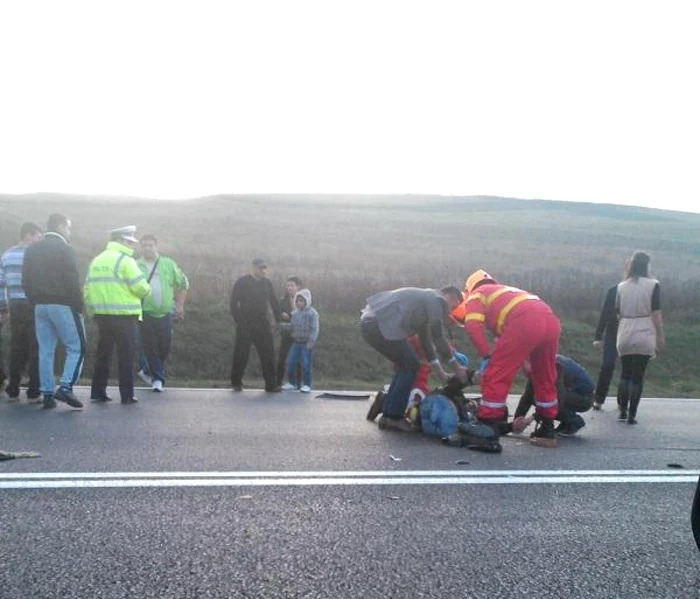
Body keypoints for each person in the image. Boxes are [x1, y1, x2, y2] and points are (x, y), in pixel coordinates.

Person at [454, 270, 561, 448]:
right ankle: (547, 430)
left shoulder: (477, 295)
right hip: (550, 320)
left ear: (469, 288)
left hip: (525, 321)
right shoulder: (507, 292)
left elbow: (473, 325)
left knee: (496, 374)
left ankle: (488, 431)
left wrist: (486, 353)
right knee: (544, 375)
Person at [360, 286, 469, 432]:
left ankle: (388, 415)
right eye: (453, 306)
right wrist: (457, 368)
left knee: (406, 364)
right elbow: (438, 337)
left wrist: (442, 374)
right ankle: (393, 416)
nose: (449, 312)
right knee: (411, 365)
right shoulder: (435, 300)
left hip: (372, 324)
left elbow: (427, 344)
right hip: (378, 324)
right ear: (447, 296)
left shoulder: (423, 305)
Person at [22, 213, 85, 409]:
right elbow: (72, 279)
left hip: (40, 306)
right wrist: (79, 305)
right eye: (68, 227)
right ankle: (66, 386)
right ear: (59, 226)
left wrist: (34, 301)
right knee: (77, 346)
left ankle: (47, 393)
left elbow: (26, 279)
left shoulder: (32, 250)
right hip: (63, 304)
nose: (69, 232)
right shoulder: (65, 249)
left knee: (46, 350)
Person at [84, 226, 151, 404]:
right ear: (121, 241)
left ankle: (98, 392)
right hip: (124, 315)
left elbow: (87, 290)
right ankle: (127, 395)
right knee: (126, 355)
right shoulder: (126, 260)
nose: (132, 245)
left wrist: (92, 310)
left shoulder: (97, 260)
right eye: (130, 242)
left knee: (103, 354)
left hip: (102, 316)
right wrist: (147, 290)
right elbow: (141, 288)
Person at [615, 251, 665, 424]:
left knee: (625, 374)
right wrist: (660, 335)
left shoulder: (621, 286)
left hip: (625, 331)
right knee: (638, 376)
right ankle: (632, 414)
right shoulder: (653, 285)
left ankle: (622, 409)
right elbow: (656, 313)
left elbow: (618, 312)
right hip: (644, 330)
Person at [136, 234, 189, 392]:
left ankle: (146, 370)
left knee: (164, 346)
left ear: (156, 247)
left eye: (150, 245)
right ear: (141, 247)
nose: (147, 248)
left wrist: (179, 305)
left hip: (165, 312)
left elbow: (183, 283)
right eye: (144, 245)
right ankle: (158, 379)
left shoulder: (168, 264)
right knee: (150, 346)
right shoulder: (135, 265)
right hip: (144, 312)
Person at [0, 222, 44, 402]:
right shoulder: (37, 255)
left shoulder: (7, 255)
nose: (40, 240)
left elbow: (0, 284)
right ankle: (34, 391)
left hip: (15, 306)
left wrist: (2, 308)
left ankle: (13, 389)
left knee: (17, 347)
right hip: (33, 304)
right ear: (29, 235)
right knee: (36, 347)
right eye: (38, 236)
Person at [230, 258, 283, 393]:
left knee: (268, 354)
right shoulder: (242, 282)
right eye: (261, 268)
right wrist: (239, 320)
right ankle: (236, 382)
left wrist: (279, 317)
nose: (263, 271)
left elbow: (274, 302)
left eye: (265, 268)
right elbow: (233, 304)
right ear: (253, 268)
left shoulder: (267, 283)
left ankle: (271, 384)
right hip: (245, 324)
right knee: (241, 354)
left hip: (262, 323)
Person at [515, 354, 594, 437]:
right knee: (537, 396)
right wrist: (516, 421)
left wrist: (531, 418)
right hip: (571, 393)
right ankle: (565, 422)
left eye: (521, 368)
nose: (521, 372)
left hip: (585, 397)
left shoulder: (553, 367)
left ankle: (575, 421)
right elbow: (527, 396)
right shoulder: (539, 362)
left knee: (543, 399)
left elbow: (556, 400)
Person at [280, 288, 319, 393]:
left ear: (307, 301)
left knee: (306, 364)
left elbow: (314, 329)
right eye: (297, 300)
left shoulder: (312, 313)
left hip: (307, 343)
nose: (299, 303)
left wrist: (311, 341)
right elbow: (292, 326)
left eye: (301, 300)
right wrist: (281, 326)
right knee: (291, 362)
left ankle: (307, 384)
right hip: (296, 342)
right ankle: (292, 383)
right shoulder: (295, 313)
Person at [592, 282, 620, 410]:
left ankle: (623, 402)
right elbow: (604, 313)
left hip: (630, 332)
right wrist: (598, 336)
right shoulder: (614, 290)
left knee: (628, 368)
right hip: (613, 332)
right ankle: (599, 399)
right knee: (607, 365)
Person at [276, 276, 303, 388]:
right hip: (287, 333)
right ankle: (277, 382)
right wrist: (281, 315)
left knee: (298, 360)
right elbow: (277, 314)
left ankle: (298, 383)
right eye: (287, 285)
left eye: (292, 285)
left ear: (298, 287)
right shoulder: (282, 301)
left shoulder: (303, 301)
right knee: (282, 357)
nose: (289, 288)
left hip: (299, 334)